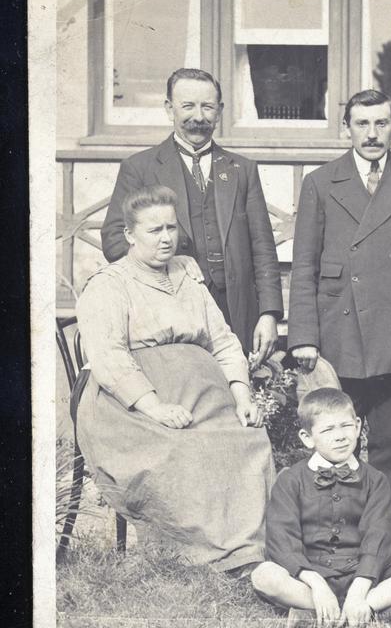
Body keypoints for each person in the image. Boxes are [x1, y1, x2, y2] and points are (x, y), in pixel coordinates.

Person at [75, 185, 273, 573]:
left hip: (203, 395)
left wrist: (241, 395)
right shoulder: (109, 283)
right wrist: (154, 406)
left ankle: (249, 549)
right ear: (129, 235)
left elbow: (223, 340)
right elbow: (108, 356)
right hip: (129, 403)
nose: (166, 238)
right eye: (154, 230)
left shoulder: (186, 273)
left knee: (247, 439)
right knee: (186, 450)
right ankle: (206, 556)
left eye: (171, 227)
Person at [287, 89, 391, 533]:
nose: (372, 134)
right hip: (340, 329)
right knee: (338, 441)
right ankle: (336, 530)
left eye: (381, 123)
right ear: (347, 129)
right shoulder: (321, 182)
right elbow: (304, 264)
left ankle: (385, 534)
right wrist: (303, 336)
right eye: (362, 124)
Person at [99, 68, 282, 361]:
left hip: (235, 310)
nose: (198, 116)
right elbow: (114, 240)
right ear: (169, 108)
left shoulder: (243, 170)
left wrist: (269, 314)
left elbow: (263, 248)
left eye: (207, 107)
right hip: (170, 311)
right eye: (188, 106)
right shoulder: (140, 168)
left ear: (220, 111)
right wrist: (169, 264)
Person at [250, 388, 391, 628]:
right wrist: (316, 584)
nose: (340, 436)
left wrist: (359, 589)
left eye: (346, 426)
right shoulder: (290, 480)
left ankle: (352, 606)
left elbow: (379, 535)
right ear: (307, 437)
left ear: (358, 426)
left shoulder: (375, 480)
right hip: (311, 573)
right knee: (263, 576)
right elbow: (282, 538)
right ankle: (370, 607)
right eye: (328, 430)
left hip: (366, 573)